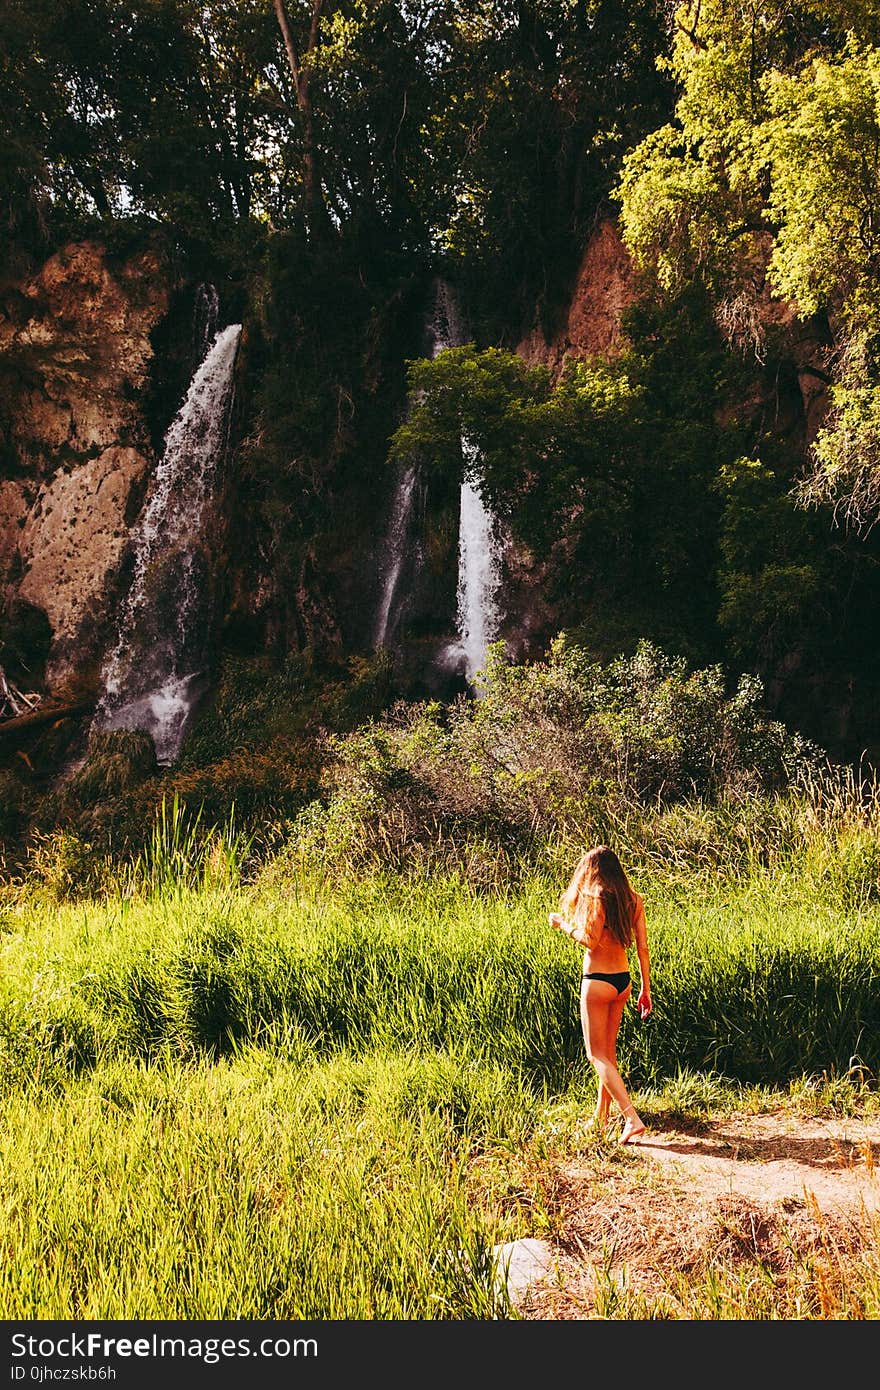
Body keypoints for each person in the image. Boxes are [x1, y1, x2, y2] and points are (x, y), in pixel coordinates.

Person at [548, 844, 652, 1143]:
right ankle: (601, 1117)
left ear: (591, 871)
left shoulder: (596, 897)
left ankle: (631, 1118)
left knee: (596, 1056)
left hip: (597, 981)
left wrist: (562, 925)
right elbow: (642, 948)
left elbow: (589, 941)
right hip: (623, 981)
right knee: (609, 1055)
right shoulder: (633, 899)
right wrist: (646, 988)